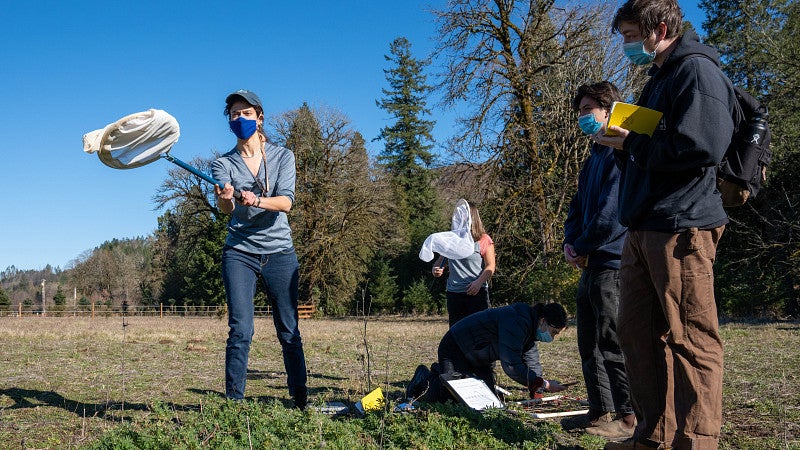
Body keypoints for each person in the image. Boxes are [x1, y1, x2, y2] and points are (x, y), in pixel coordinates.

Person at [593, 1, 736, 448]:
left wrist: (633, 143)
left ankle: (696, 441)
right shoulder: (660, 78)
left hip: (682, 225)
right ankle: (651, 437)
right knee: (636, 335)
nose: (626, 45)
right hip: (644, 227)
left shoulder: (696, 70)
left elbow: (703, 145)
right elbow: (659, 141)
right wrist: (629, 141)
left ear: (659, 28)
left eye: (631, 34)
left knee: (692, 339)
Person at [211, 89, 308, 409]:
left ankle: (300, 400)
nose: (240, 119)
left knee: (289, 330)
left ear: (260, 117)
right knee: (240, 329)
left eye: (246, 114)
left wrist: (258, 199)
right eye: (234, 115)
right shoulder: (222, 163)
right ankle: (234, 404)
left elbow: (287, 202)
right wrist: (225, 198)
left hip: (280, 252)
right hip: (239, 252)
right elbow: (225, 210)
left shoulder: (283, 157)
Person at [562, 81, 635, 439]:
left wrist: (585, 245)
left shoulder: (618, 154)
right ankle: (598, 410)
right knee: (588, 343)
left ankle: (628, 417)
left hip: (612, 264)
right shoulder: (592, 157)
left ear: (608, 111)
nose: (582, 117)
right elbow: (577, 208)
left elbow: (610, 216)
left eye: (588, 110)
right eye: (579, 111)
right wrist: (570, 243)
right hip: (589, 264)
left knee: (613, 340)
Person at [405, 302, 569, 403]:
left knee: (486, 401)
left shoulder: (530, 327)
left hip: (479, 357)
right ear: (543, 321)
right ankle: (424, 378)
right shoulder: (518, 321)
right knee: (452, 398)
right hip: (456, 347)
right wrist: (545, 384)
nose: (552, 337)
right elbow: (511, 365)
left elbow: (531, 360)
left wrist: (537, 392)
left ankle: (443, 375)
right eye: (553, 332)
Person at [431, 202, 496, 327]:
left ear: (472, 216)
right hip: (454, 294)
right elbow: (440, 263)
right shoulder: (452, 240)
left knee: (480, 333)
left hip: (477, 294)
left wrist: (479, 283)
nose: (460, 217)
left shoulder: (484, 239)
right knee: (457, 334)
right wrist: (436, 269)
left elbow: (490, 266)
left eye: (463, 214)